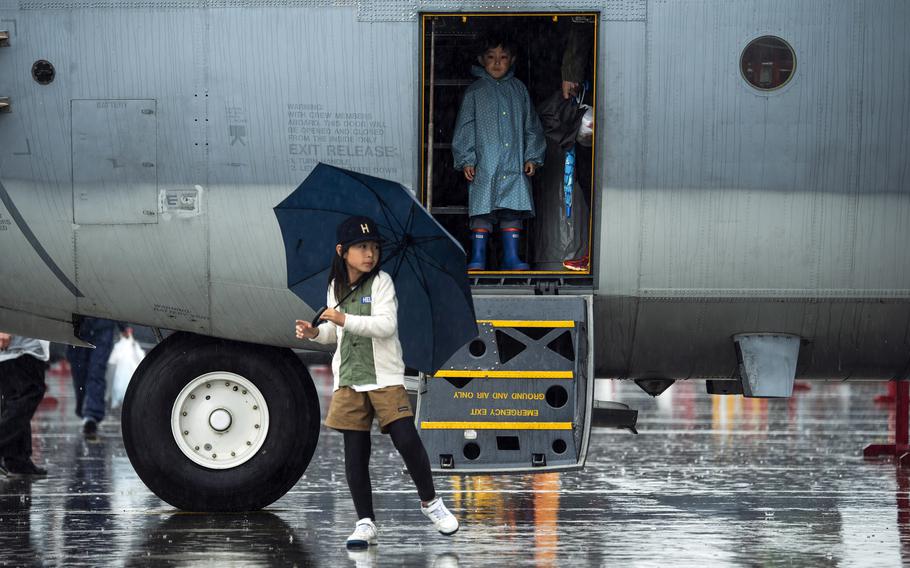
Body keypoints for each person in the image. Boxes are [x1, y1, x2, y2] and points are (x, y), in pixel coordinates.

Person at [295, 216, 459, 549]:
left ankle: (431, 503)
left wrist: (343, 318)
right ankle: (365, 522)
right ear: (343, 251)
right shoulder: (335, 287)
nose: (370, 254)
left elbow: (384, 326)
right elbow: (336, 334)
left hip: (383, 377)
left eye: (374, 247)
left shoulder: (382, 282)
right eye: (362, 247)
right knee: (355, 451)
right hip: (350, 379)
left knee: (406, 438)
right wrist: (316, 332)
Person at [452, 33, 546, 271]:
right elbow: (466, 127)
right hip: (485, 164)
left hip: (514, 164)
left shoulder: (519, 90)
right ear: (481, 59)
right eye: (491, 57)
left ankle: (512, 257)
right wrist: (467, 159)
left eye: (503, 57)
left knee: (512, 211)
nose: (496, 63)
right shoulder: (476, 91)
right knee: (482, 212)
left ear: (512, 59)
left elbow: (531, 126)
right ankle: (478, 256)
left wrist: (532, 157)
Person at [66, 318, 131, 437]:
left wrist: (123, 325)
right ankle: (84, 409)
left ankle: (92, 414)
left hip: (102, 325)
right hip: (78, 326)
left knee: (96, 371)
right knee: (79, 372)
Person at [0, 332, 49, 477]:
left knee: (15, 399)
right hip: (21, 346)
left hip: (15, 348)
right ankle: (15, 456)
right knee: (29, 394)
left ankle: (17, 459)